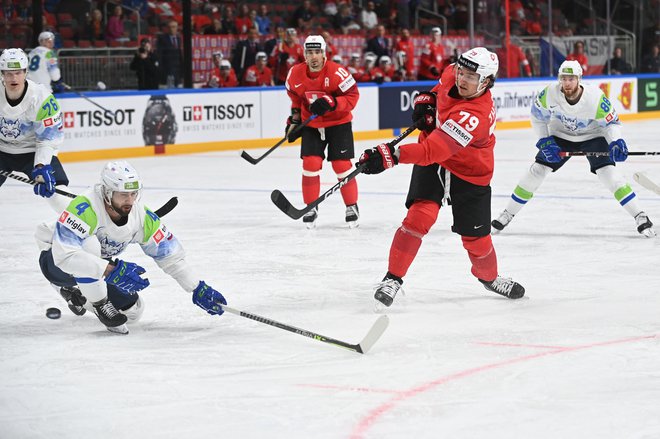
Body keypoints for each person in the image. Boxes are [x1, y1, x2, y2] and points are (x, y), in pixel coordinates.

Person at [357, 47, 526, 307]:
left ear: (487, 82)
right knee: (418, 217)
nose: (462, 78)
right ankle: (392, 278)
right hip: (435, 162)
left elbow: (431, 150)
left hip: (470, 171)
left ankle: (490, 278)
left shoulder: (475, 116)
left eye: (471, 76)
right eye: (461, 71)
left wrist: (390, 155)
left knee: (477, 241)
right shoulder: (452, 72)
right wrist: (426, 101)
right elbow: (437, 93)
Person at [35, 161, 228, 334]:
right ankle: (99, 304)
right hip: (55, 261)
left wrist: (197, 288)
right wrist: (110, 270)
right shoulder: (85, 209)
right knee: (90, 244)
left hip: (94, 267)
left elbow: (171, 256)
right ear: (107, 192)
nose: (129, 201)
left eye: (133, 194)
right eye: (123, 195)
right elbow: (64, 256)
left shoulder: (142, 217)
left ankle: (75, 295)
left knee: (133, 312)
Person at [491, 60, 655, 238]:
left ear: (579, 79)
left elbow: (611, 123)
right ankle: (507, 213)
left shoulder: (595, 98)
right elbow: (537, 118)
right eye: (564, 78)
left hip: (593, 135)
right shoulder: (548, 94)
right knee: (536, 171)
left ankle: (640, 215)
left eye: (571, 79)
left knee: (608, 174)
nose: (567, 83)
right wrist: (544, 141)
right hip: (561, 135)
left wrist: (616, 141)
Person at [285, 35, 360, 228]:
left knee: (341, 165)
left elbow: (353, 97)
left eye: (317, 52)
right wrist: (293, 122)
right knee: (310, 163)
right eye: (310, 52)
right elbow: (296, 100)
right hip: (311, 125)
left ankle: (351, 206)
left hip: (339, 124)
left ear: (324, 53)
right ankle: (311, 207)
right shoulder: (295, 74)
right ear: (304, 54)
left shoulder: (337, 73)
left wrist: (334, 102)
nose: (314, 57)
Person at [0, 48, 70, 213]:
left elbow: (47, 139)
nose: (13, 78)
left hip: (33, 151)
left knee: (61, 195)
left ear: (25, 72)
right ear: (2, 74)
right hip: (1, 151)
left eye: (18, 72)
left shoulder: (42, 98)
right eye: (8, 73)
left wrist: (41, 164)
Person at [157, 20, 182, 87]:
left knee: (178, 85)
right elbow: (160, 54)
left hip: (178, 67)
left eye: (173, 27)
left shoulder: (179, 39)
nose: (171, 29)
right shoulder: (162, 39)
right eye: (170, 27)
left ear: (177, 28)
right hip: (167, 67)